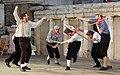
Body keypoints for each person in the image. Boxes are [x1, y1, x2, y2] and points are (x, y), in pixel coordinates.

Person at [13, 6, 47, 72]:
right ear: (23, 17)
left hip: (27, 39)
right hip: (22, 39)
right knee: (24, 52)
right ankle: (22, 66)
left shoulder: (29, 23)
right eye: (26, 16)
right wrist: (16, 8)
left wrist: (42, 19)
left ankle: (25, 65)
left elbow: (36, 25)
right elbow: (15, 15)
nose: (28, 16)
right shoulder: (20, 22)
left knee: (29, 52)